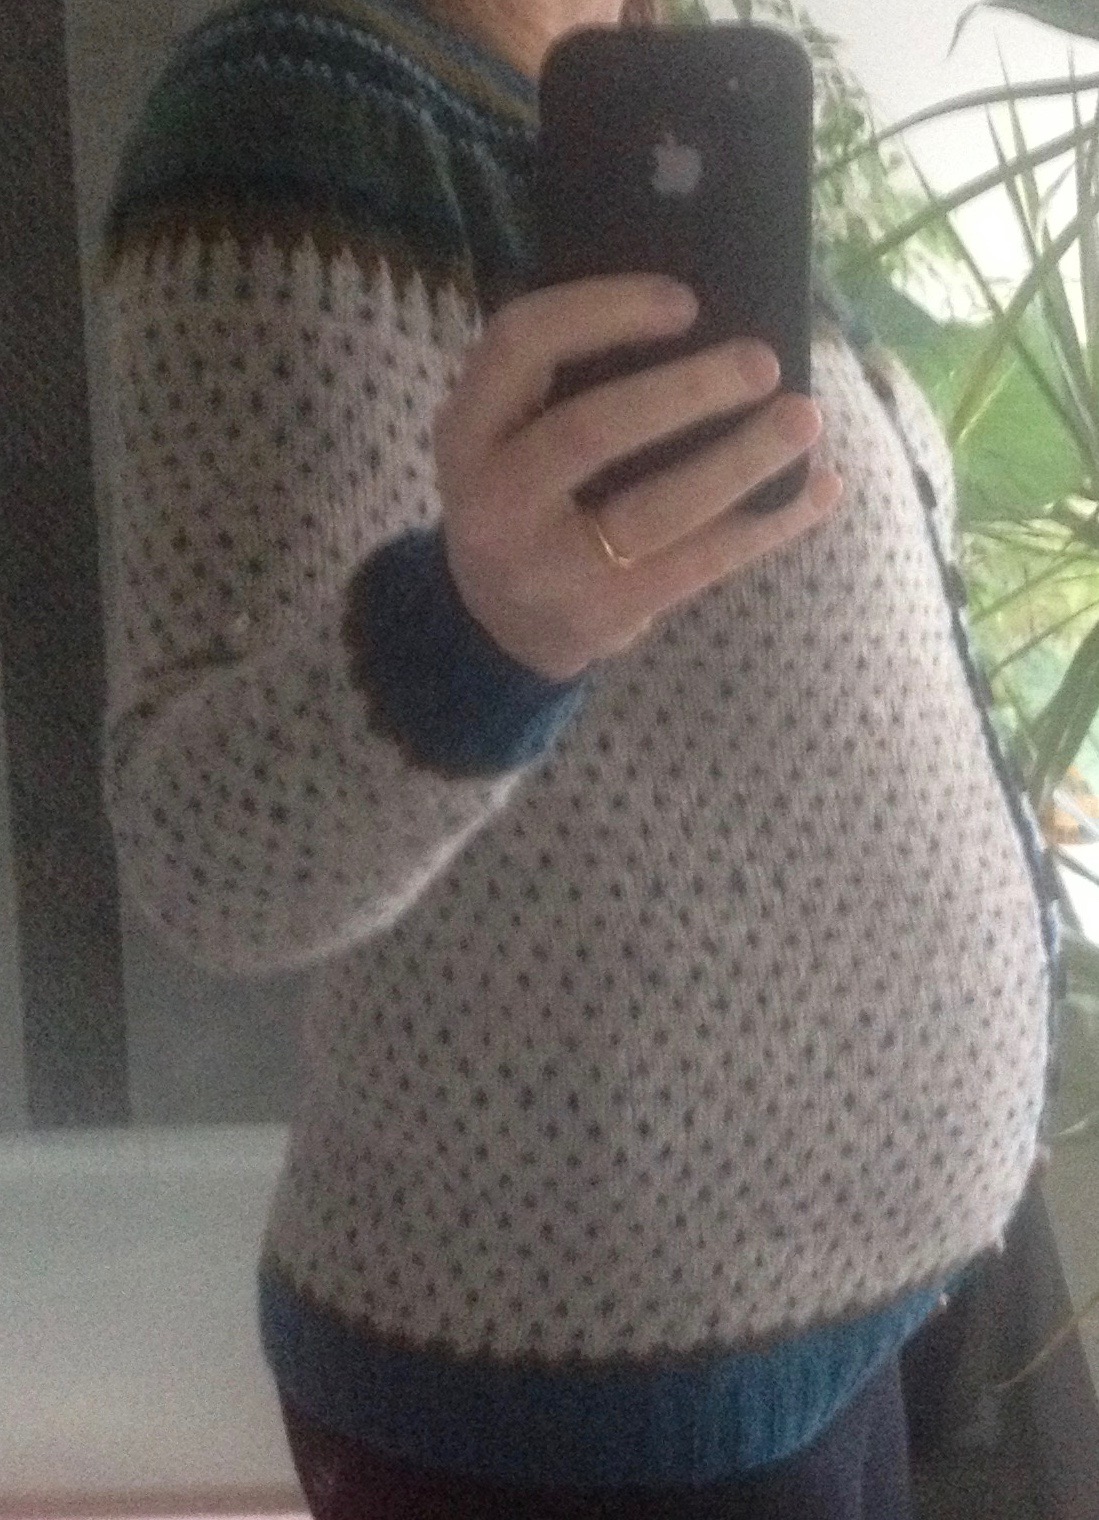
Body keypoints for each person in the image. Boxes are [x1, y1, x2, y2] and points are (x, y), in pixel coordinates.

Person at [95, 0, 1063, 1514]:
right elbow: (204, 855)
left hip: (831, 1320)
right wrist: (481, 634)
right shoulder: (297, 117)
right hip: (586, 1398)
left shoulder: (679, 125)